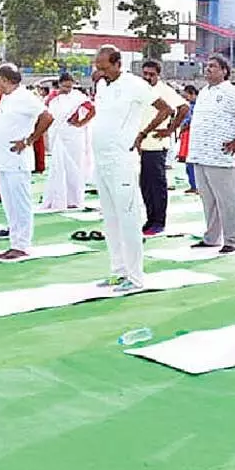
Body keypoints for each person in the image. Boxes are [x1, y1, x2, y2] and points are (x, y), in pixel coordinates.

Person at [90, 46, 154, 292]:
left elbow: (168, 108)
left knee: (128, 218)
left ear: (118, 63)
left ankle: (136, 277)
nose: (100, 72)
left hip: (122, 160)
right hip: (101, 159)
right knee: (110, 218)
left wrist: (142, 135)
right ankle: (118, 271)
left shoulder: (134, 84)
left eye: (104, 67)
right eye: (98, 67)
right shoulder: (102, 85)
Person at [187, 56, 235, 253]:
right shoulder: (204, 92)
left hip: (222, 156)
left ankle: (232, 240)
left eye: (213, 66)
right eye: (207, 66)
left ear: (224, 71)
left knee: (227, 200)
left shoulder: (232, 92)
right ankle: (212, 237)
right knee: (208, 200)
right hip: (201, 154)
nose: (208, 69)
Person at [0, 64, 53, 260]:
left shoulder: (25, 97)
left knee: (20, 202)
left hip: (16, 158)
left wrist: (29, 140)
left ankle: (22, 244)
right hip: (1, 158)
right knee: (9, 202)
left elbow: (47, 117)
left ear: (6, 80)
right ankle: (14, 240)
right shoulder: (7, 98)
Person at [136, 60, 189, 236]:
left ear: (158, 75)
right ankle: (150, 219)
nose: (147, 77)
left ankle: (159, 221)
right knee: (145, 184)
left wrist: (171, 129)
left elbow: (184, 108)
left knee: (156, 184)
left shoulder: (164, 90)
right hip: (141, 144)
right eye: (145, 73)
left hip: (156, 143)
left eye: (151, 74)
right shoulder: (141, 89)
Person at [42, 73, 95, 210]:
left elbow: (92, 110)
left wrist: (81, 122)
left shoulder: (78, 97)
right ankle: (58, 197)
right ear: (59, 84)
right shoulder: (52, 98)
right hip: (58, 135)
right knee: (58, 167)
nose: (67, 89)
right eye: (65, 86)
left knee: (76, 167)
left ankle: (74, 199)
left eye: (70, 86)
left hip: (74, 135)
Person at [176, 85, 199, 194]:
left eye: (187, 96)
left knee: (193, 161)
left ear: (193, 94)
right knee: (188, 161)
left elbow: (191, 121)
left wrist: (184, 126)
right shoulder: (188, 106)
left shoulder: (197, 107)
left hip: (192, 135)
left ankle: (197, 185)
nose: (186, 98)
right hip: (186, 134)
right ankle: (193, 185)